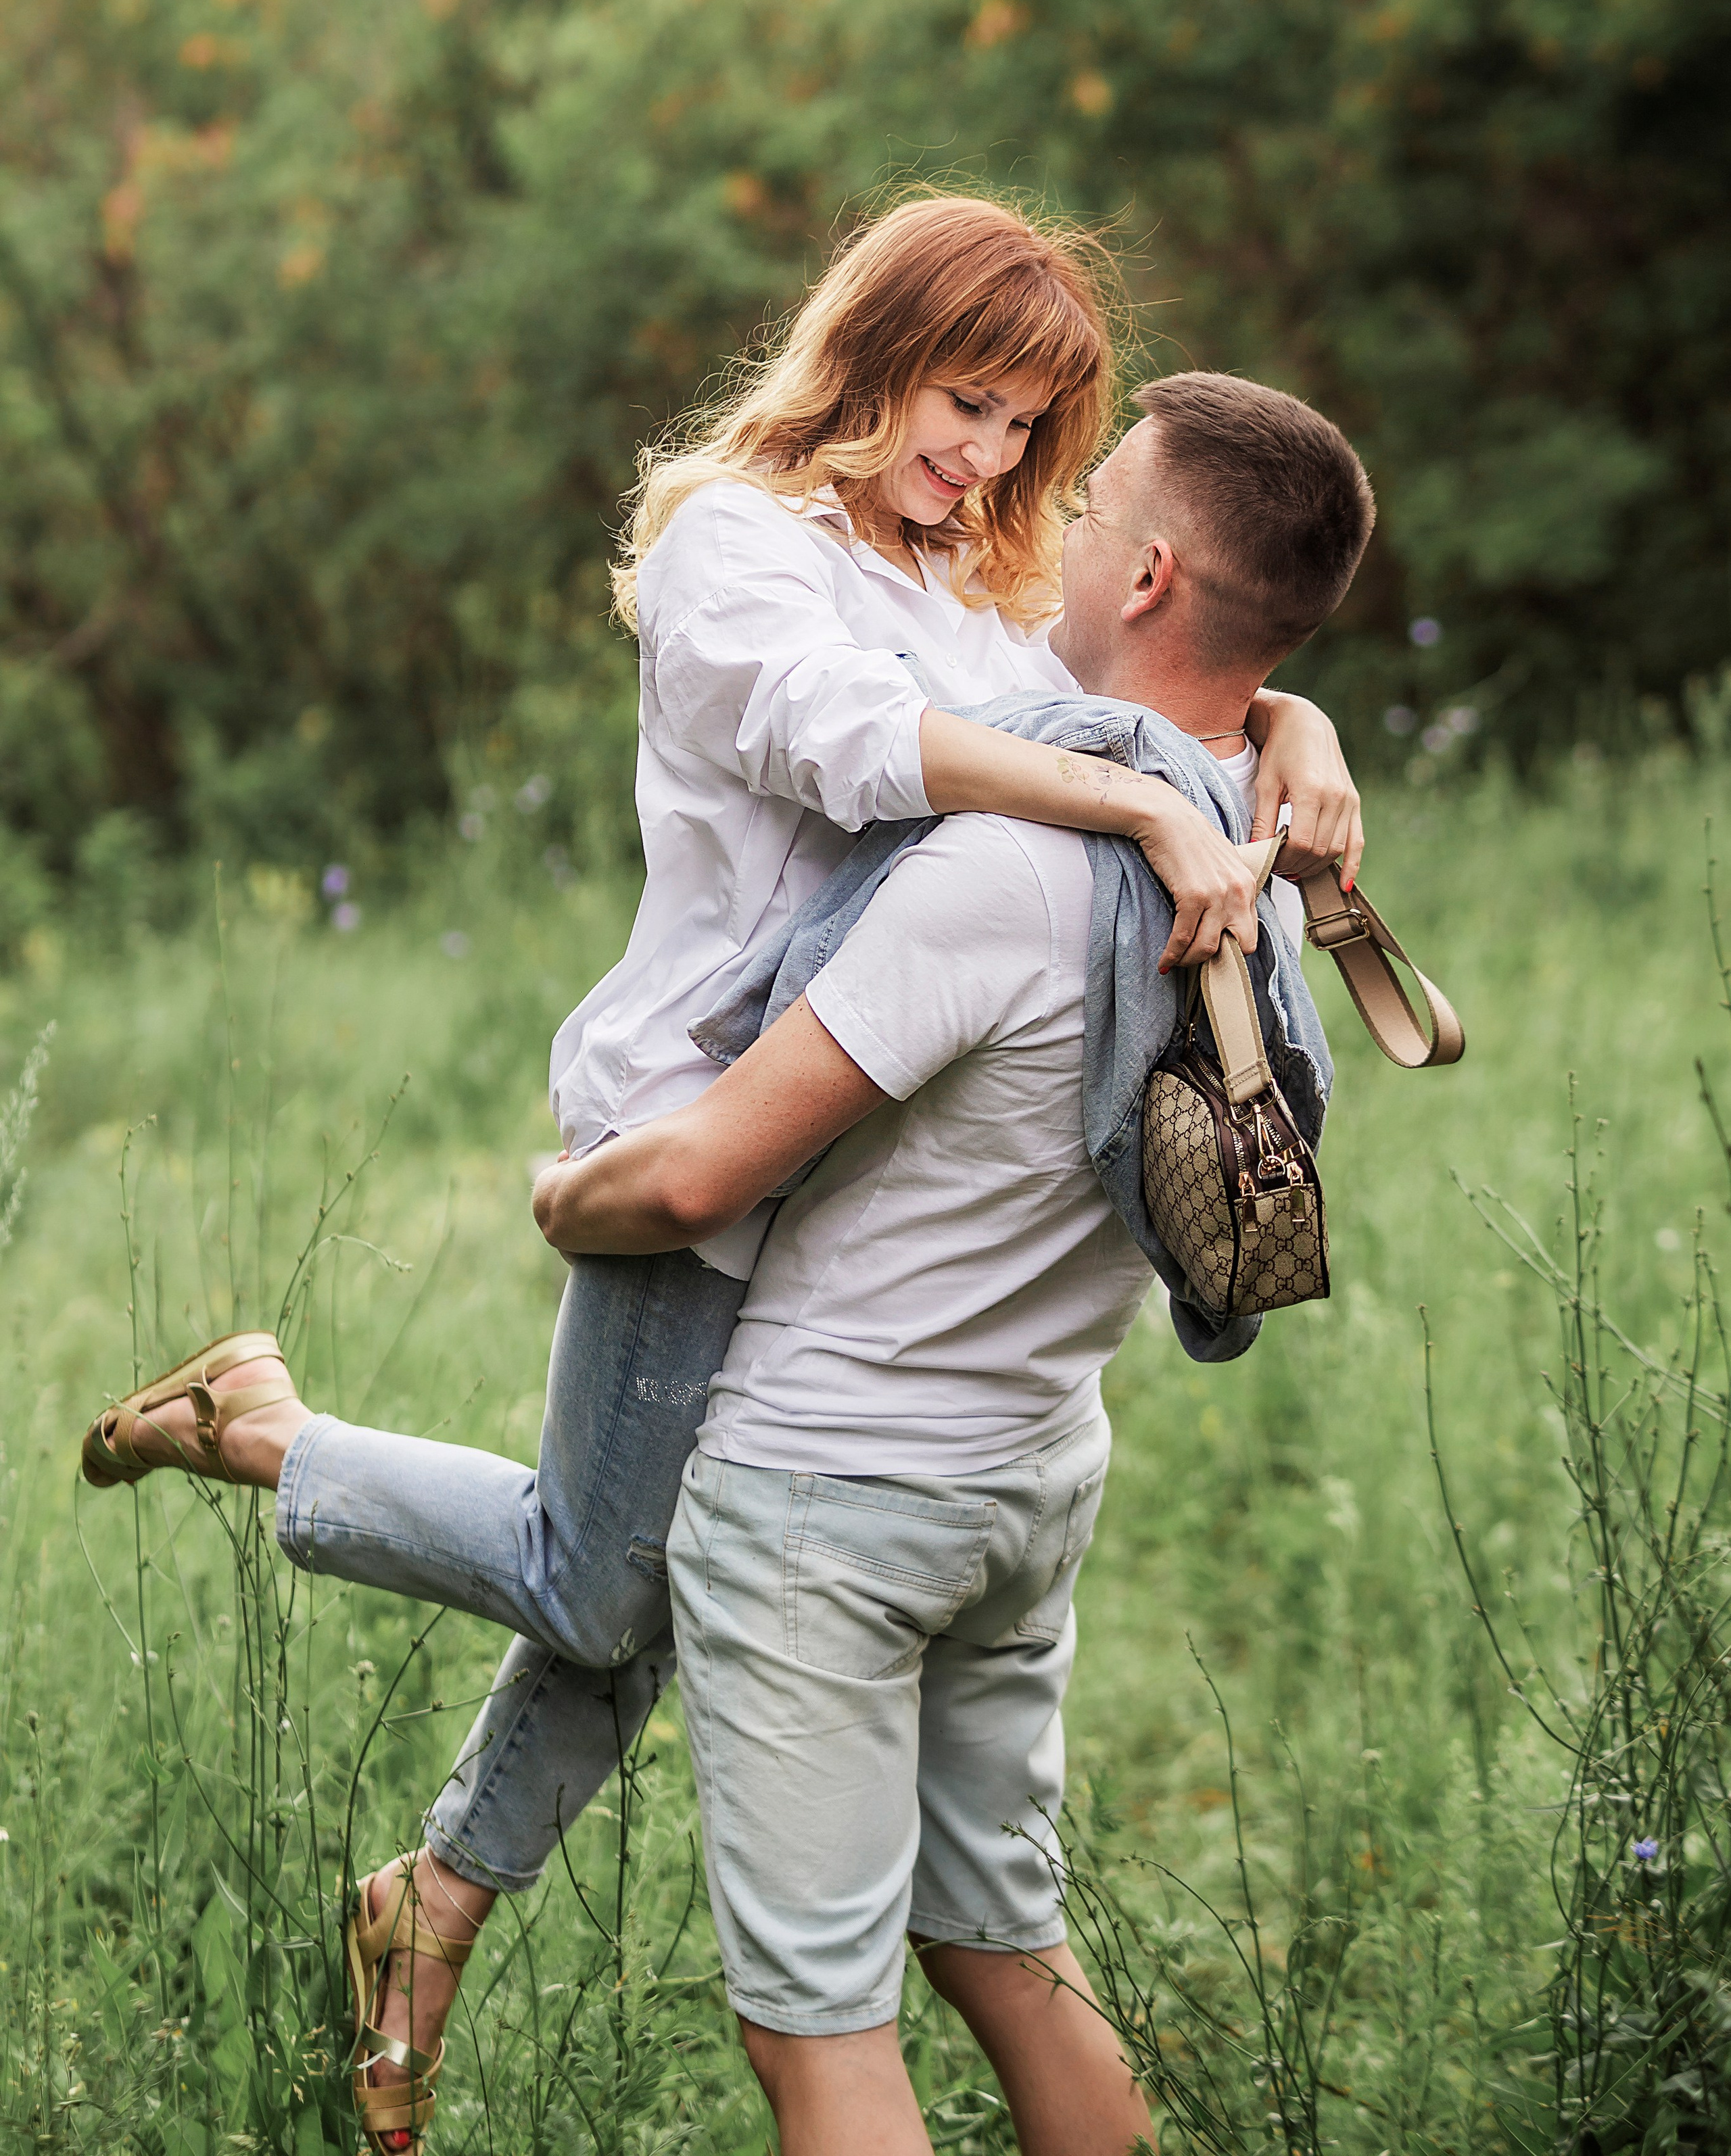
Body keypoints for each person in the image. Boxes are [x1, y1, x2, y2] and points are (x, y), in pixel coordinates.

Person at [78, 197, 1361, 2153]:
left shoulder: (960, 577)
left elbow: (1160, 660)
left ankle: (420, 1905)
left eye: (1032, 429)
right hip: (706, 1133)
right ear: (867, 353)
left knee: (659, 1581)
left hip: (823, 1150)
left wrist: (1292, 720)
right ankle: (267, 1440)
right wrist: (1123, 791)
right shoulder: (736, 550)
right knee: (608, 1581)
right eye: (967, 402)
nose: (993, 462)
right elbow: (859, 747)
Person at [528, 372, 1377, 2155]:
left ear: (1145, 576)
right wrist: (1297, 724)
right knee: (1010, 1960)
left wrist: (561, 1199)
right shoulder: (1256, 860)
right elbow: (1211, 707)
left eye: (1084, 513)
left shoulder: (1002, 870)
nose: (1039, 528)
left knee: (825, 2045)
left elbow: (699, 1176)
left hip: (833, 1497)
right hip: (1029, 1477)